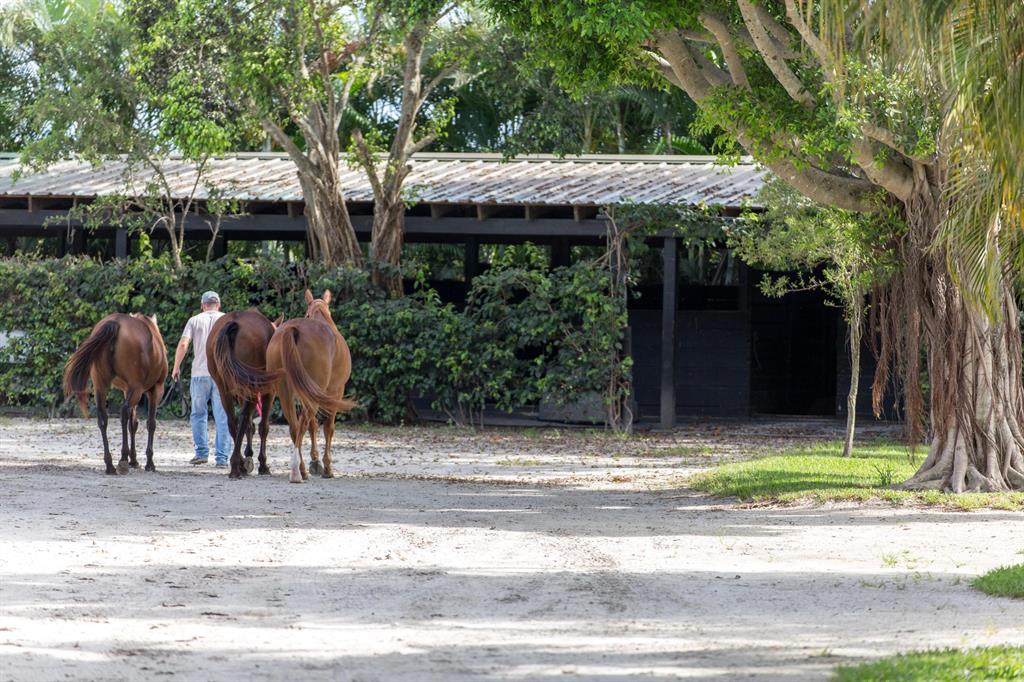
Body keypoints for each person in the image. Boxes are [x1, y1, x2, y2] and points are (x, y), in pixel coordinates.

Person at [171, 291, 231, 467]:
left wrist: (176, 367)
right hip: (221, 375)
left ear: (203, 305)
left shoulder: (194, 320)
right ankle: (222, 458)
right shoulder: (227, 319)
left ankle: (202, 453)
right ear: (218, 305)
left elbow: (183, 344)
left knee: (198, 414)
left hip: (199, 374)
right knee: (223, 416)